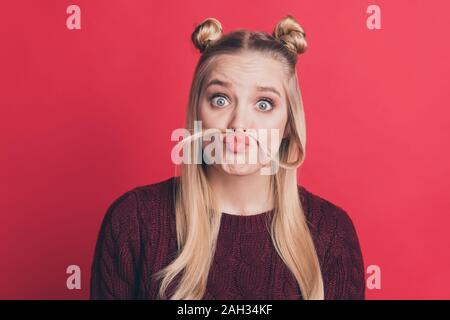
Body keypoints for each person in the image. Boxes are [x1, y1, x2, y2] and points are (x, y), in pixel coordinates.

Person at [90, 15, 365, 300]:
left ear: (288, 125)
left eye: (264, 103)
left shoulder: (332, 233)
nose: (238, 123)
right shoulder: (134, 221)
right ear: (197, 112)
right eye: (220, 99)